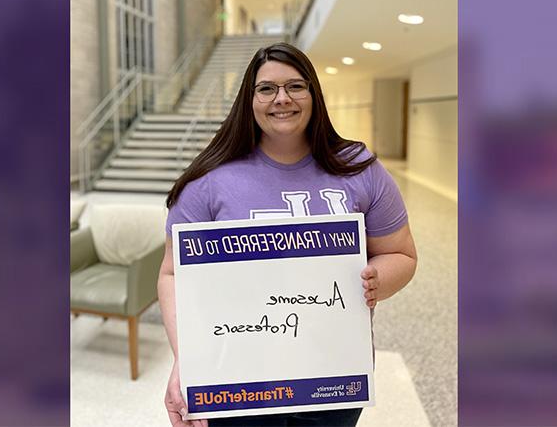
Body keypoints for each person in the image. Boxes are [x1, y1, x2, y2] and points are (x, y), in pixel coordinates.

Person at [157, 42, 418, 427]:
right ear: (250, 99)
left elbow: (402, 255)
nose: (282, 98)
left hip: (333, 378)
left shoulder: (360, 169)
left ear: (314, 94)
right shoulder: (210, 181)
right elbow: (172, 274)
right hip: (237, 380)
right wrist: (188, 359)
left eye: (296, 86)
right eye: (266, 89)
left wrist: (378, 279)